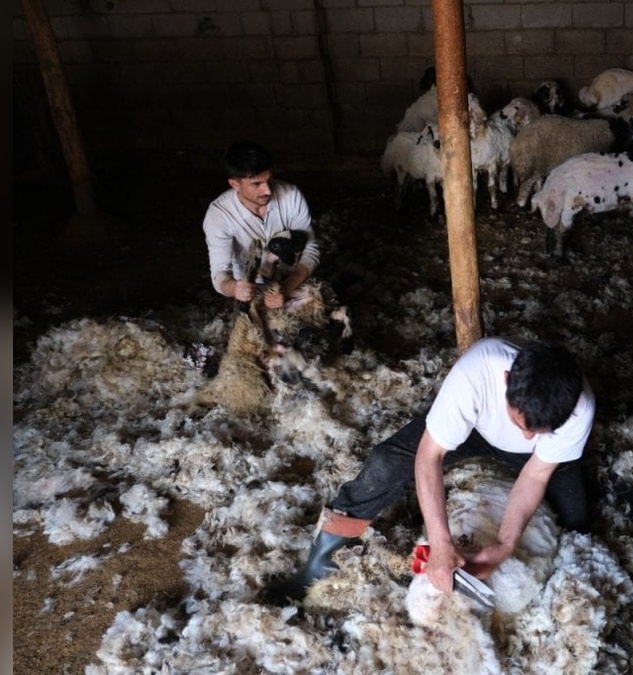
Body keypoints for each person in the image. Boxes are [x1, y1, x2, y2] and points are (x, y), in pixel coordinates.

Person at [266, 336, 596, 603]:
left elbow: (536, 473)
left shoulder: (579, 408)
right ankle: (318, 563)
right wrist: (441, 544)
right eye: (520, 423)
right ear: (506, 380)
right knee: (386, 462)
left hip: (540, 458)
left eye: (538, 430)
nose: (526, 436)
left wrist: (506, 543)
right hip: (475, 431)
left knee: (578, 519)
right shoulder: (477, 370)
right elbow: (430, 455)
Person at [203, 140, 320, 309]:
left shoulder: (291, 195)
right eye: (256, 184)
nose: (267, 191)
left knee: (314, 310)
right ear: (235, 184)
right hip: (249, 288)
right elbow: (219, 273)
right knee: (253, 332)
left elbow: (310, 248)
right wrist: (236, 289)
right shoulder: (219, 215)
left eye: (268, 180)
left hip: (291, 279)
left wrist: (286, 288)